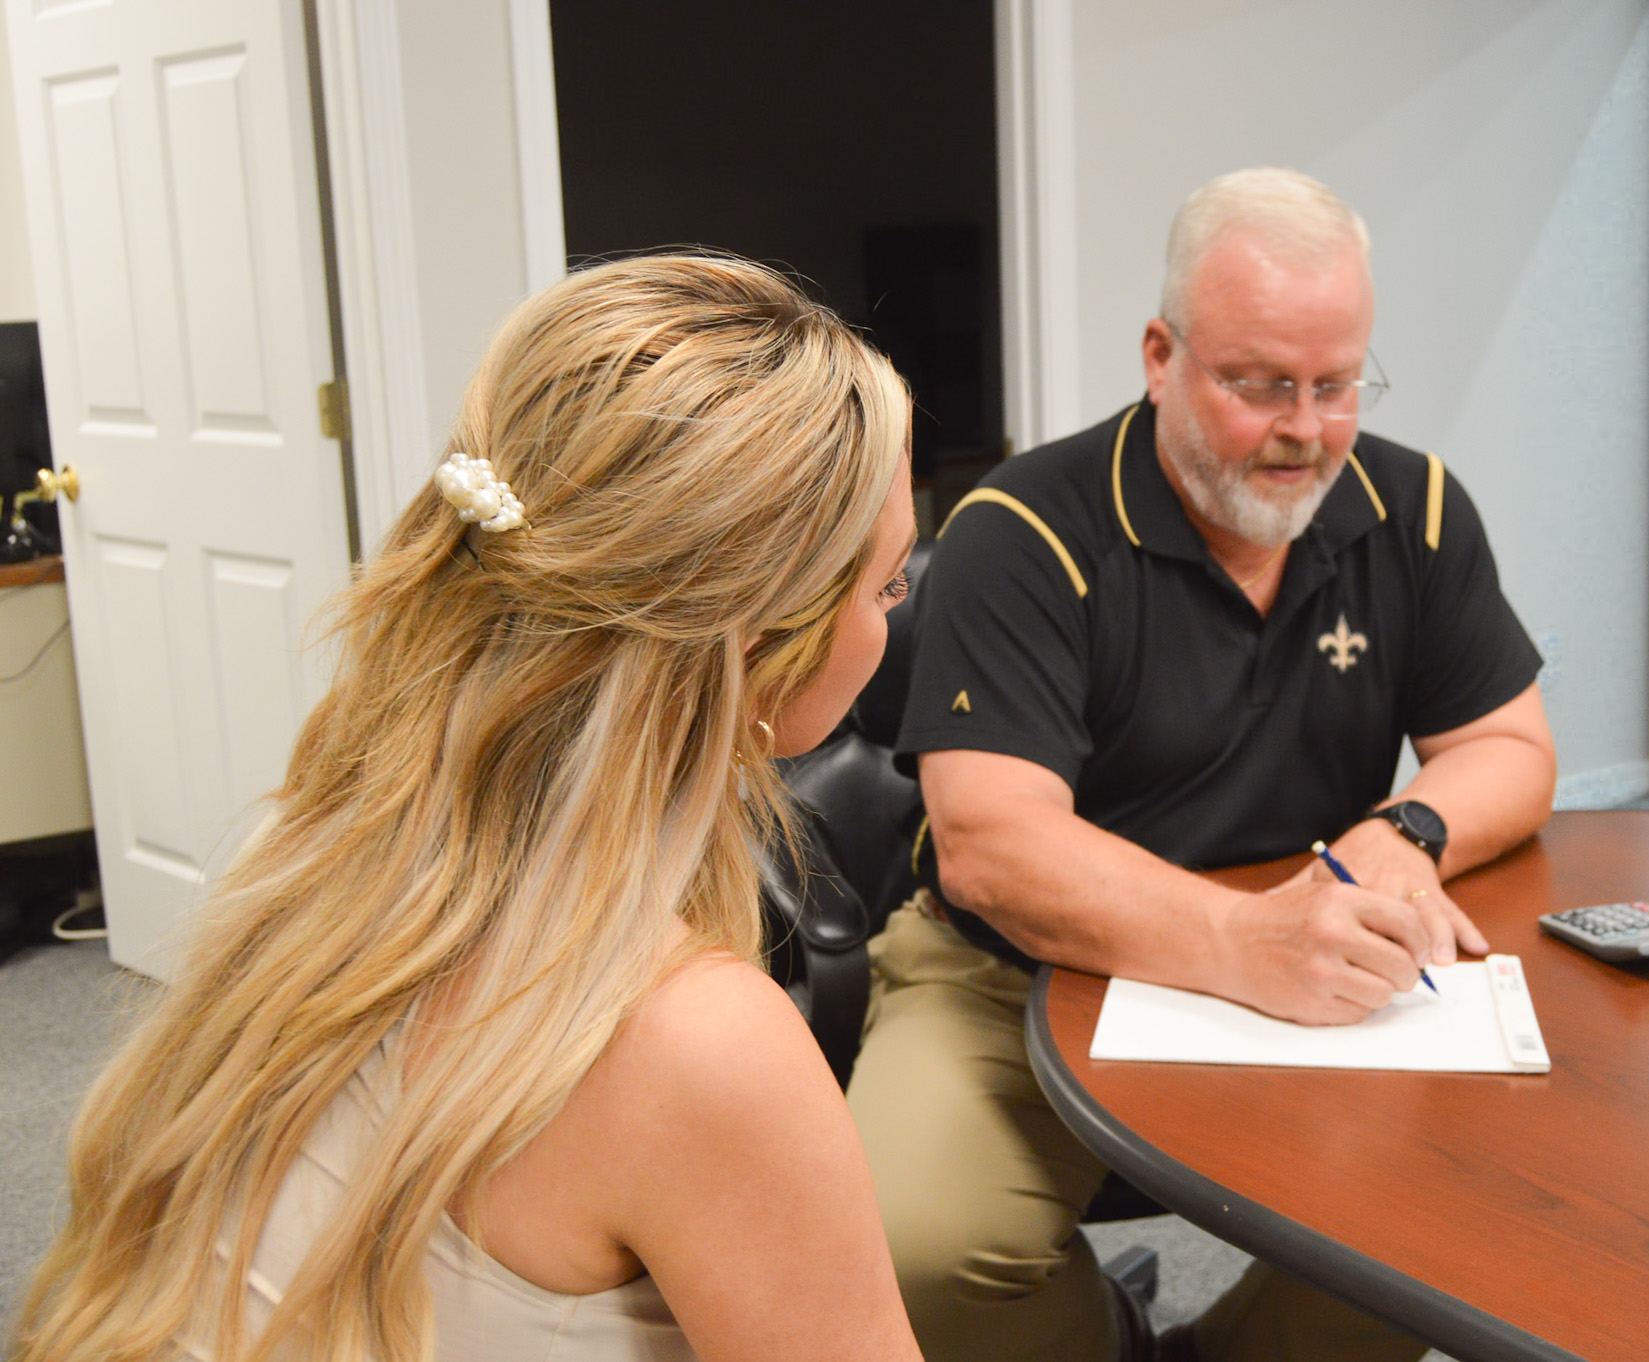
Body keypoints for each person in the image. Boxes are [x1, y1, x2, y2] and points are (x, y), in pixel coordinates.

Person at [11, 256, 926, 1362]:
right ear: (756, 646)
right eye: (884, 586)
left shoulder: (296, 854)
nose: (895, 615)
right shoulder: (697, 1047)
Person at [847, 168, 1558, 1361]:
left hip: (1317, 955)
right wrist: (1241, 944)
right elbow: (988, 848)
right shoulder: (1018, 530)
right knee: (912, 1243)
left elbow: (1507, 746)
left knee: (1478, 1199)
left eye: (1336, 386)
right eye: (1258, 384)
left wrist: (1405, 833)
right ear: (1160, 355)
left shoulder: (1414, 506)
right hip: (1018, 971)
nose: (1304, 429)